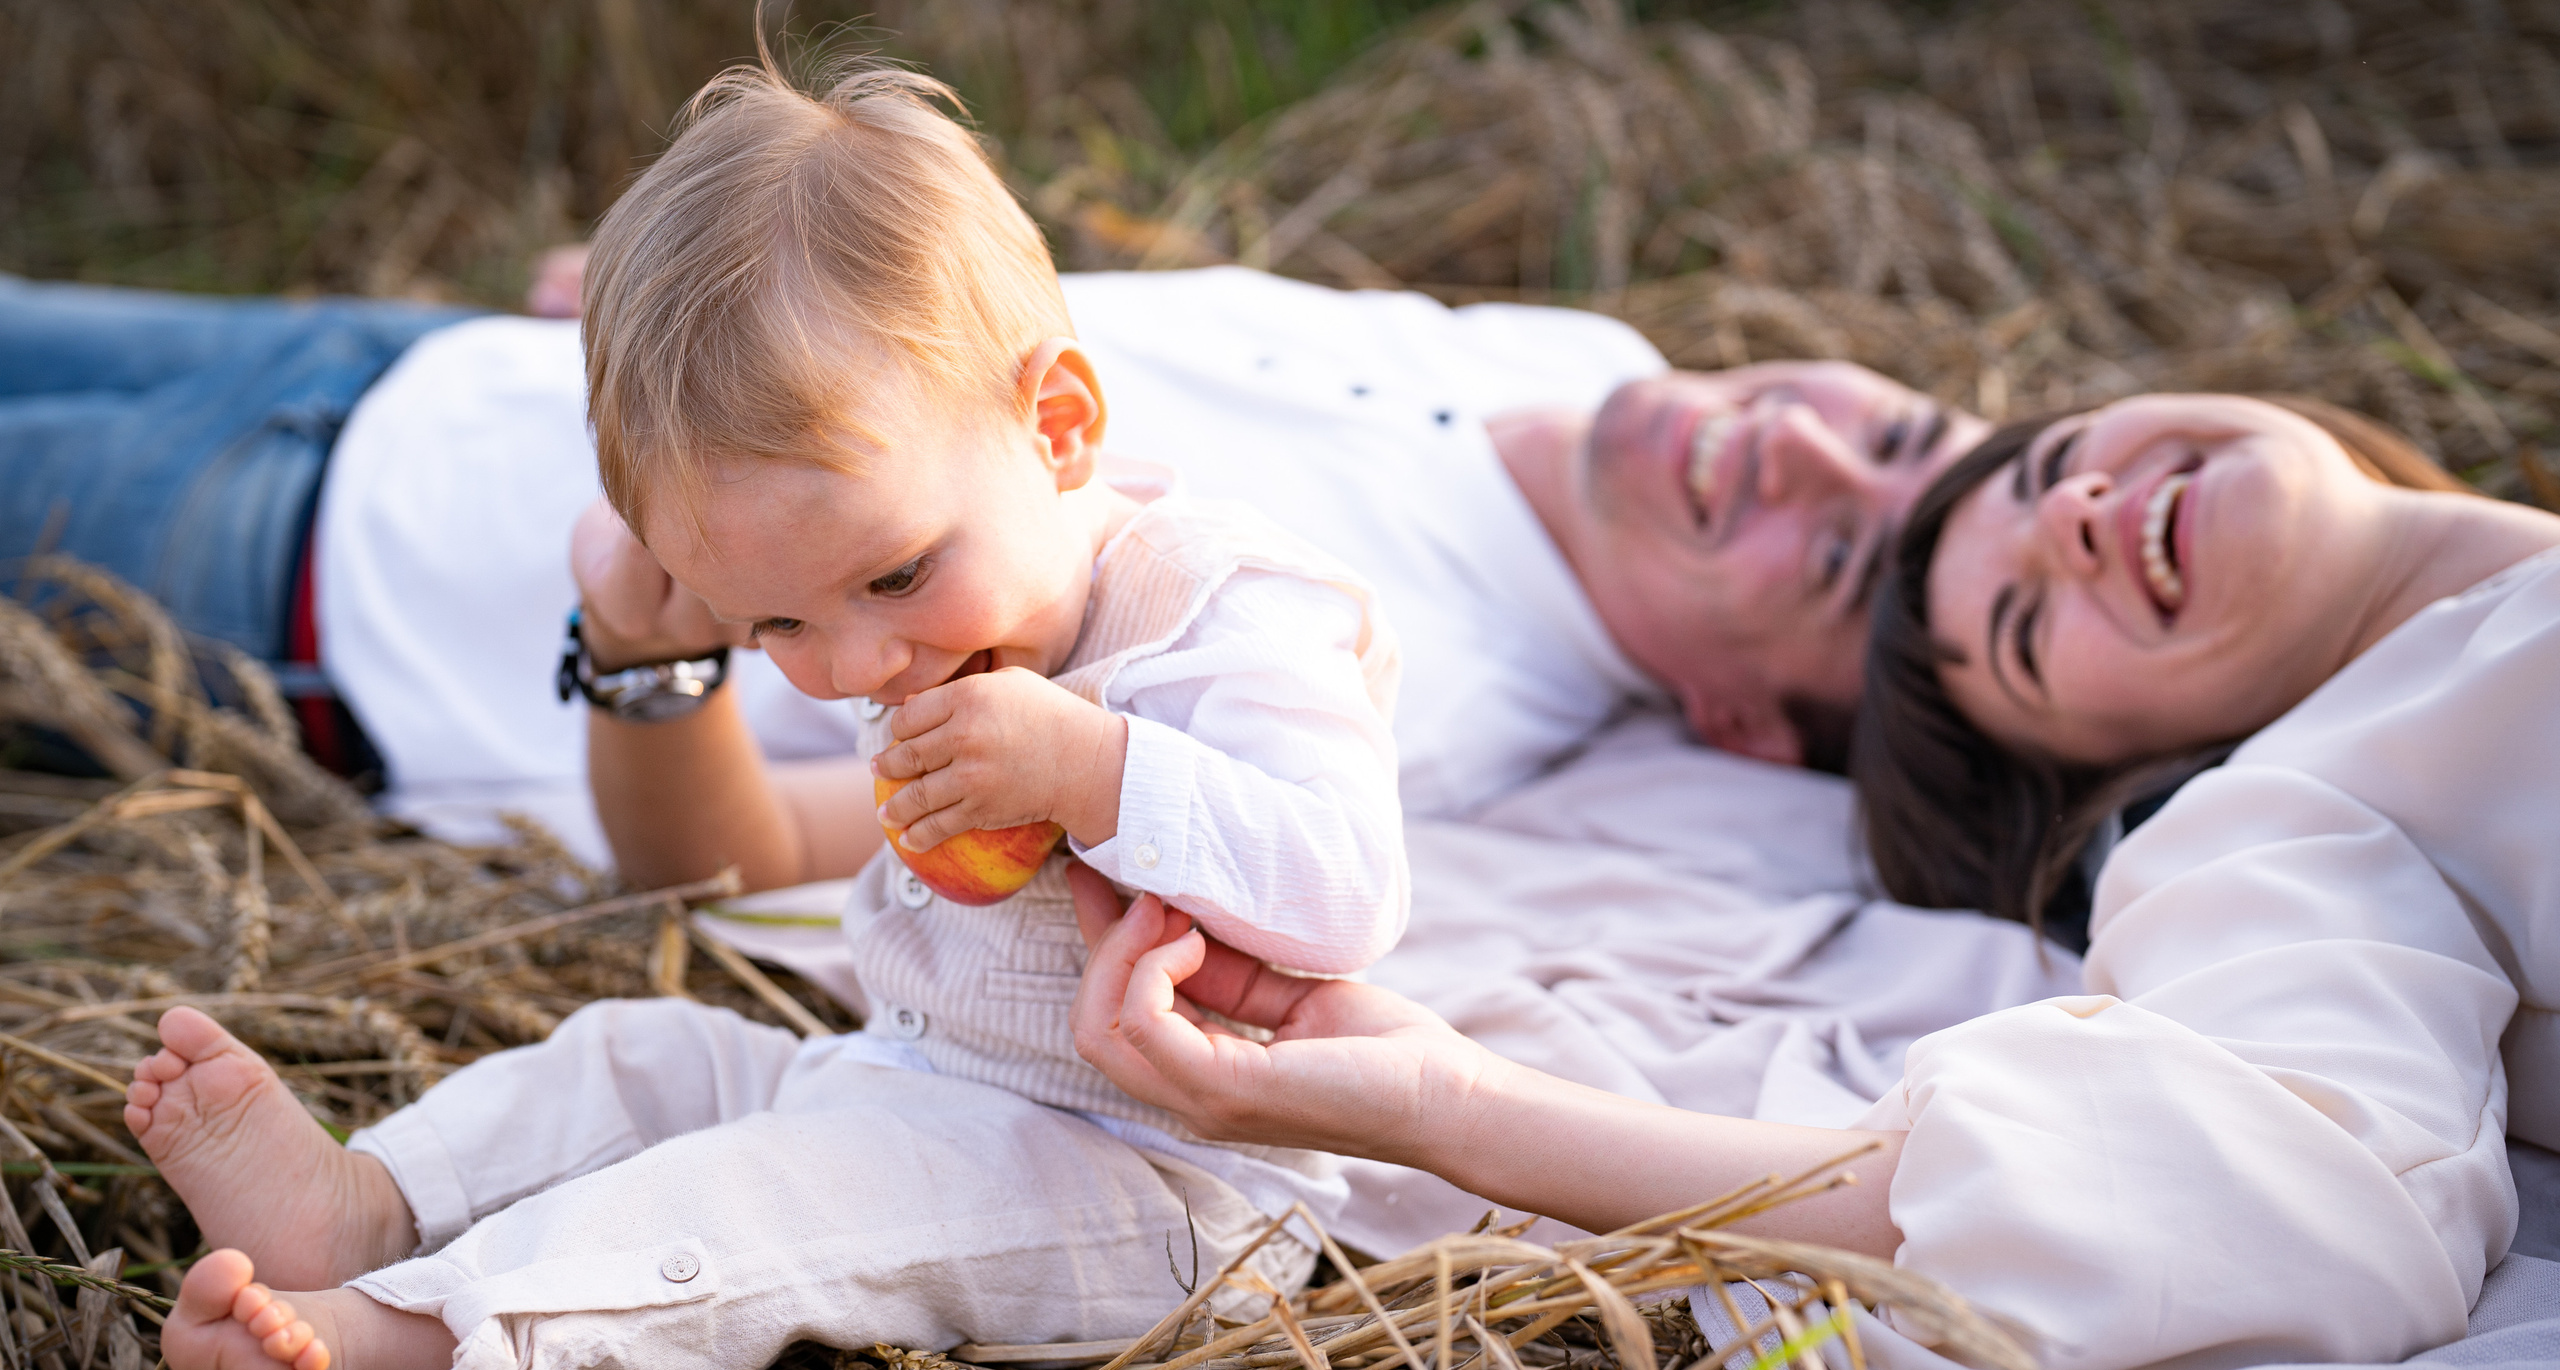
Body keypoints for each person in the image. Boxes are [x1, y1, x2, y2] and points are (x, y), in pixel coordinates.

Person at [120, 59, 1410, 1370]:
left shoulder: (1231, 613)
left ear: (1057, 428)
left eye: (895, 576)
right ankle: (373, 1202)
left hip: (1163, 1186)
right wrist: (649, 631)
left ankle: (401, 1352)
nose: (853, 668)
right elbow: (745, 835)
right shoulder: (936, 613)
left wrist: (1097, 768)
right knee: (641, 1057)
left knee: (763, 1207)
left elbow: (1347, 895)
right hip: (903, 1075)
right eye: (778, 625)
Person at [1063, 391, 2559, 1370]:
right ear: (2124, 775)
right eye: (2035, 631)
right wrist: (1455, 1104)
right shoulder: (2297, 823)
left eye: (2050, 471)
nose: (2086, 517)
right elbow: (2242, 1195)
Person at [3, 269, 1982, 859]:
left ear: (1735, 713)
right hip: (399, 361)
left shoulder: (1374, 685)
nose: (1797, 446)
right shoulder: (1591, 365)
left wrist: (637, 643)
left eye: (1831, 551)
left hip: (279, 592)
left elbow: (749, 859)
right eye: (1885, 428)